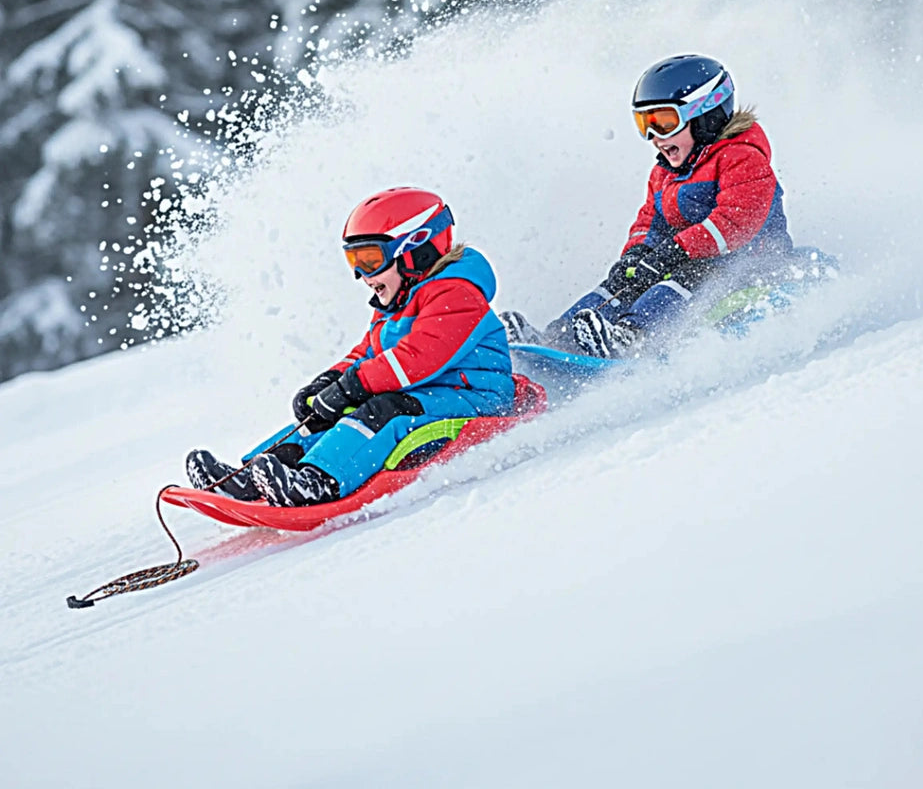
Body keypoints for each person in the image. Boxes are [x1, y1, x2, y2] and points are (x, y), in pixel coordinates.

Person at [186, 187, 516, 506]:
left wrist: (351, 387)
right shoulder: (398, 299)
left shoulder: (456, 294)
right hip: (426, 393)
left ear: (416, 249)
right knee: (326, 416)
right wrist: (328, 382)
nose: (361, 274)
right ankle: (251, 476)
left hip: (473, 398)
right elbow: (367, 352)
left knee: (383, 409)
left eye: (370, 259)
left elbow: (416, 359)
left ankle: (320, 481)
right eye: (354, 260)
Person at [501, 53, 794, 358]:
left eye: (665, 122)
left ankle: (632, 338)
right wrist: (637, 253)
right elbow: (650, 220)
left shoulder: (743, 158)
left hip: (745, 265)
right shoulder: (665, 172)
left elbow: (736, 223)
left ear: (706, 114)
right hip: (686, 257)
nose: (654, 137)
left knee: (686, 278)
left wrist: (675, 251)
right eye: (645, 124)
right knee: (623, 281)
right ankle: (557, 338)